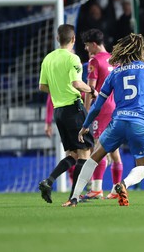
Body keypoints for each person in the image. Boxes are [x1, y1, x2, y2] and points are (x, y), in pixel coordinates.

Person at [65, 33, 144, 207]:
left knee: (93, 158)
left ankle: (74, 198)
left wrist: (86, 125)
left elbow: (96, 106)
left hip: (117, 123)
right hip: (141, 124)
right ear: (141, 50)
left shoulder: (115, 72)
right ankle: (123, 184)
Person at [38, 24, 96, 205]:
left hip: (59, 112)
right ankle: (74, 197)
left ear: (57, 39)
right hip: (73, 108)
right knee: (85, 153)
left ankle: (49, 181)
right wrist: (93, 90)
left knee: (73, 154)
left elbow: (42, 87)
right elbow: (77, 84)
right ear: (73, 40)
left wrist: (58, 92)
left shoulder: (48, 59)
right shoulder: (73, 58)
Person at [80, 29, 123, 200]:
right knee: (114, 151)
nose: (85, 48)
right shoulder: (115, 60)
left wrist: (85, 113)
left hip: (102, 109)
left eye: (86, 45)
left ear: (93, 44)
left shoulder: (94, 61)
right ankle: (115, 189)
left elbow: (91, 90)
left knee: (99, 147)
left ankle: (97, 189)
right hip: (116, 108)